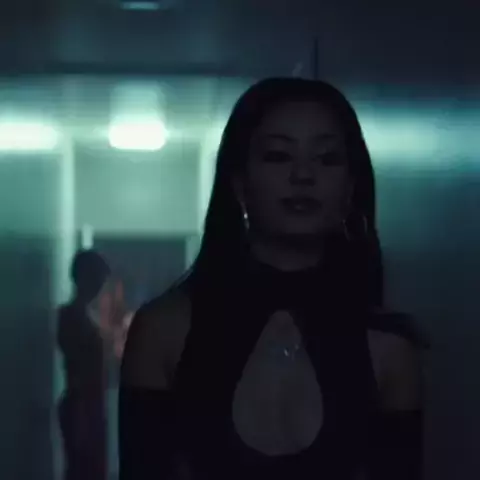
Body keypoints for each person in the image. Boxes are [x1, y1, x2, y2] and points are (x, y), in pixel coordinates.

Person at [119, 78, 425, 480]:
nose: (303, 175)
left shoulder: (389, 348)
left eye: (327, 158)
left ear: (351, 187)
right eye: (279, 155)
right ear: (239, 183)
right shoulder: (165, 330)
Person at [57, 250, 114, 480]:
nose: (100, 286)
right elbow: (79, 369)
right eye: (97, 279)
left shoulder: (82, 315)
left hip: (88, 406)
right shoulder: (71, 316)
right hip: (82, 407)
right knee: (84, 469)